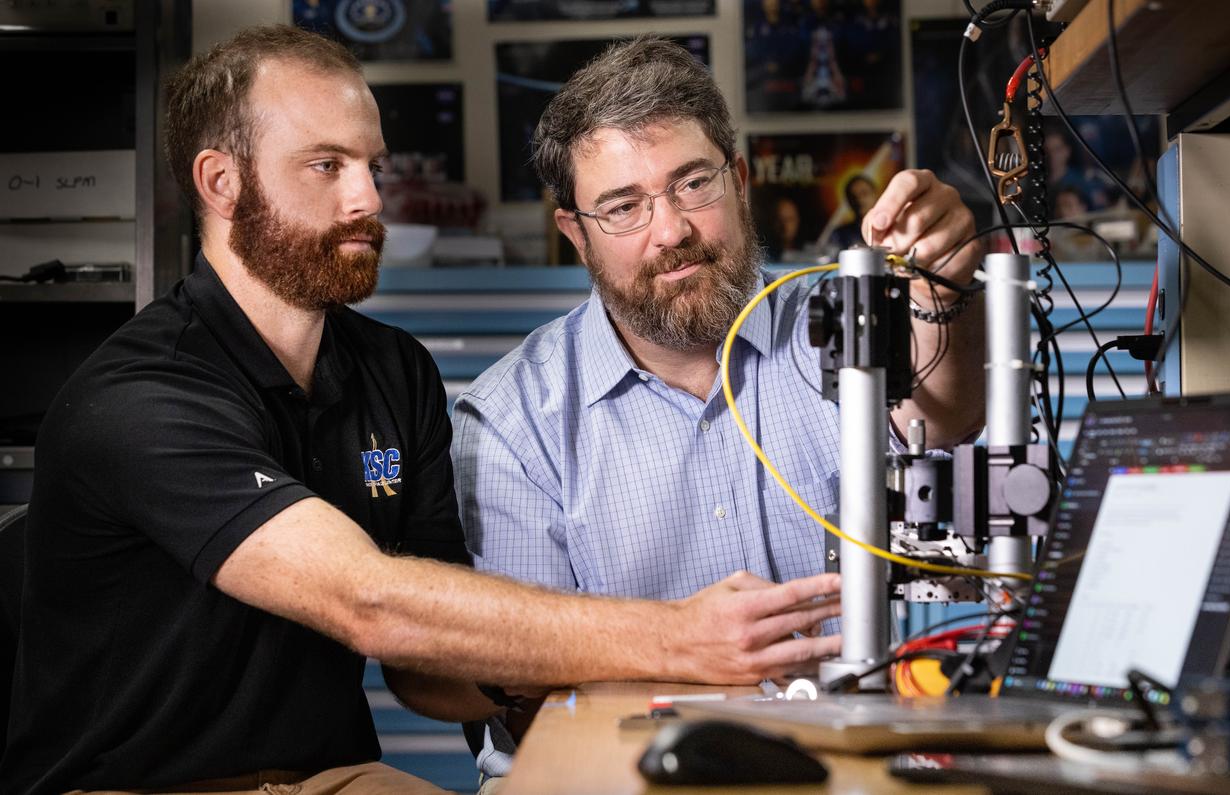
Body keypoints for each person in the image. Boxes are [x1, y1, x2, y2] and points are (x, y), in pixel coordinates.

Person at [0, 26, 844, 795]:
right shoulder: (143, 393)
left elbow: (429, 664)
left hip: (335, 777)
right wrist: (677, 638)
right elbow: (368, 602)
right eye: (327, 166)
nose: (371, 199)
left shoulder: (390, 370)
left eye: (374, 164)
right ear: (222, 183)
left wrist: (538, 682)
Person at [451, 35, 986, 780]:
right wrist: (673, 643)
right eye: (622, 207)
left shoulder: (838, 318)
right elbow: (526, 674)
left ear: (738, 179)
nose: (670, 230)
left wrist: (940, 291)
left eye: (692, 183)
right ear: (574, 231)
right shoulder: (514, 422)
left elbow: (948, 410)